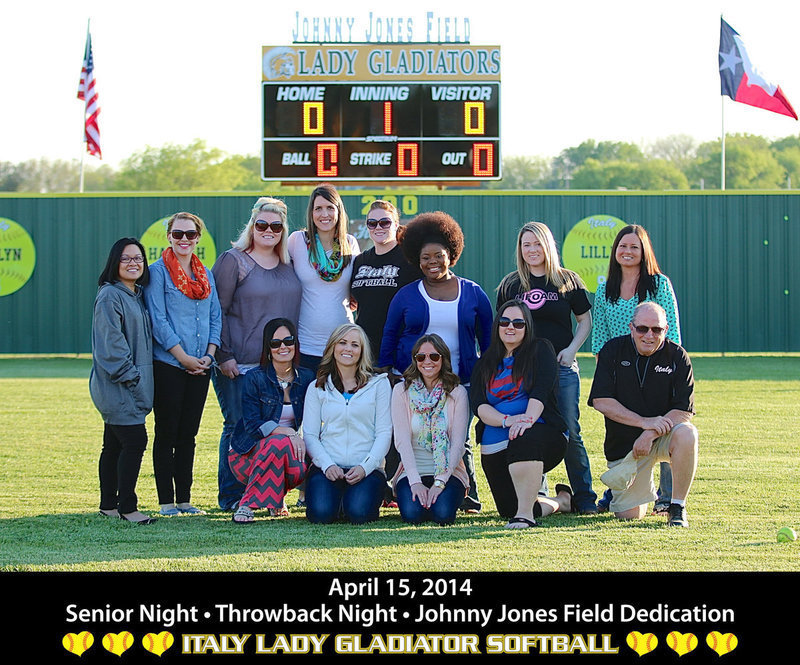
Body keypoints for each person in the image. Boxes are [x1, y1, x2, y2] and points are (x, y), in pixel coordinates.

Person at [378, 211, 493, 513]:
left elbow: (489, 340)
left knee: (459, 438)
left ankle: (466, 494)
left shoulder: (473, 293)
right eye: (425, 257)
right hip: (415, 381)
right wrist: (388, 371)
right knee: (411, 435)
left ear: (451, 254)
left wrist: (487, 374)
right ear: (417, 259)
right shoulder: (406, 296)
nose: (432, 262)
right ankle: (401, 487)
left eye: (439, 256)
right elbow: (390, 334)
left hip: (460, 382)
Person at [496, 221, 596, 514]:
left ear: (548, 246)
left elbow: (584, 321)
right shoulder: (510, 285)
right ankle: (535, 493)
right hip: (523, 373)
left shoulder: (568, 280)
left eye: (537, 243)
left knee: (569, 430)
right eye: (526, 244)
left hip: (562, 369)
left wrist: (571, 350)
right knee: (531, 429)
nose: (532, 250)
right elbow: (502, 328)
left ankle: (584, 496)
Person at [211, 197, 301, 511]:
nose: (268, 230)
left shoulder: (288, 265)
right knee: (238, 426)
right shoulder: (233, 260)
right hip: (240, 362)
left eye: (276, 226)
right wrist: (223, 355)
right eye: (261, 224)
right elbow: (216, 310)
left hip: (278, 367)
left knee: (276, 428)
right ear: (252, 226)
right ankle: (232, 496)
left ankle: (268, 496)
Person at [591, 224, 682, 514]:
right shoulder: (605, 288)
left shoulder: (659, 285)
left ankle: (667, 498)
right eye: (622, 246)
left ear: (644, 251)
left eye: (634, 246)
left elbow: (674, 334)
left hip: (657, 369)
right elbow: (600, 339)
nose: (627, 251)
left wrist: (671, 372)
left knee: (668, 426)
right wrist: (607, 377)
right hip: (620, 372)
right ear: (615, 251)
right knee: (621, 428)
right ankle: (617, 488)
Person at [588, 302, 698, 527]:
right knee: (629, 515)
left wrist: (648, 433)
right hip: (626, 447)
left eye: (656, 330)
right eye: (642, 329)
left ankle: (677, 507)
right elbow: (601, 401)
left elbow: (683, 411)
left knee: (687, 433)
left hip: (660, 438)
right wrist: (643, 422)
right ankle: (632, 491)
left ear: (666, 330)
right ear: (631, 327)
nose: (649, 335)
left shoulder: (677, 356)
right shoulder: (612, 350)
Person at [144, 212, 221, 517]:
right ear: (169, 237)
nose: (184, 239)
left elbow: (216, 316)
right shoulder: (157, 273)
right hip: (169, 366)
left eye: (190, 234)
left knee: (188, 434)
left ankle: (185, 500)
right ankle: (166, 503)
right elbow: (158, 321)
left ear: (198, 238)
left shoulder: (206, 274)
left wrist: (210, 355)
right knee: (167, 432)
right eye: (178, 234)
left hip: (202, 366)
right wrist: (183, 357)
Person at [470, 302, 572, 529]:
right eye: (505, 322)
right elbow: (479, 405)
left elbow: (542, 391)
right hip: (496, 442)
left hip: (541, 432)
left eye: (518, 323)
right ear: (497, 326)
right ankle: (561, 501)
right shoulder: (485, 362)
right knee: (507, 509)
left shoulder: (540, 349)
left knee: (523, 438)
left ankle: (525, 516)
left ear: (527, 327)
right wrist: (507, 421)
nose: (510, 328)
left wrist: (525, 421)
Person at [350, 199, 422, 507]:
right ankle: (375, 485)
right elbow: (354, 301)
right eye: (372, 223)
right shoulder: (361, 260)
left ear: (396, 225)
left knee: (397, 422)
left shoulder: (407, 260)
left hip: (398, 355)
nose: (378, 228)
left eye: (384, 222)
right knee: (370, 423)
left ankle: (397, 484)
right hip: (365, 356)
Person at [90, 238, 155, 525]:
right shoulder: (110, 296)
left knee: (113, 445)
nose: (133, 264)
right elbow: (112, 349)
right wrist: (135, 381)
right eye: (126, 259)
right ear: (114, 262)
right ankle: (128, 507)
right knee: (135, 440)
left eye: (138, 258)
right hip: (119, 386)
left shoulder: (133, 295)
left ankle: (108, 505)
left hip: (126, 385)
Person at [303, 324, 392, 524]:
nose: (348, 349)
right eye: (342, 343)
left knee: (359, 514)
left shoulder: (379, 384)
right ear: (333, 347)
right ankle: (337, 499)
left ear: (362, 352)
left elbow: (384, 433)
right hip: (329, 467)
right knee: (320, 514)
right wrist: (327, 465)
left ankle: (355, 498)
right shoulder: (317, 387)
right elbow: (309, 434)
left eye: (354, 345)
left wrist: (365, 467)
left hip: (366, 468)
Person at [228, 318, 315, 524]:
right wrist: (287, 432)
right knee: (277, 442)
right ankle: (248, 503)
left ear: (296, 344)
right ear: (268, 348)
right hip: (247, 456)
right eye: (276, 343)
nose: (283, 347)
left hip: (292, 456)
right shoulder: (254, 378)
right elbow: (251, 425)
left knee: (285, 446)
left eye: (288, 341)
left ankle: (274, 498)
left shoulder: (306, 377)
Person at [391, 334, 470, 525]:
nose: (428, 362)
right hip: (411, 471)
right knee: (412, 515)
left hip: (449, 472)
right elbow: (401, 441)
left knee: (443, 514)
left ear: (443, 359)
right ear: (415, 360)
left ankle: (443, 497)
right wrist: (415, 482)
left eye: (434, 357)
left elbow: (458, 445)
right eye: (421, 357)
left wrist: (440, 482)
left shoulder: (457, 393)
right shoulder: (401, 391)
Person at [288, 183, 360, 373]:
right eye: (318, 208)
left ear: (339, 211)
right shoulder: (297, 241)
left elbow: (358, 288)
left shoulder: (350, 243)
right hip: (306, 347)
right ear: (311, 213)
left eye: (330, 208)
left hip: (343, 345)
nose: (324, 214)